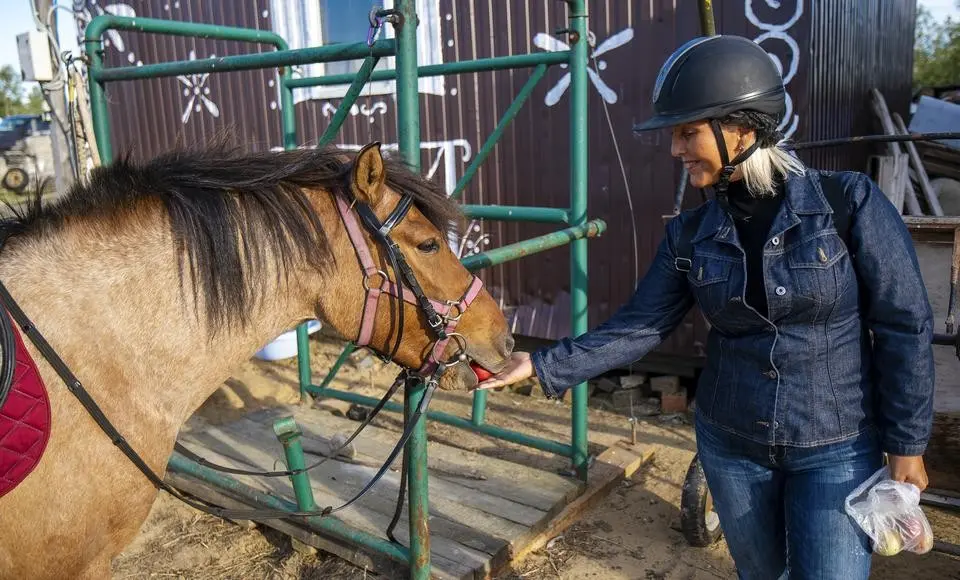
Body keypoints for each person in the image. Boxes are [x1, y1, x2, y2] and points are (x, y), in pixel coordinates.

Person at [476, 35, 935, 579]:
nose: (674, 150)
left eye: (687, 131)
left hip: (835, 446)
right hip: (731, 446)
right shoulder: (690, 234)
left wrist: (906, 443)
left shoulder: (848, 203)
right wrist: (542, 363)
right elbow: (642, 325)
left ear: (743, 127)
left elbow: (904, 324)